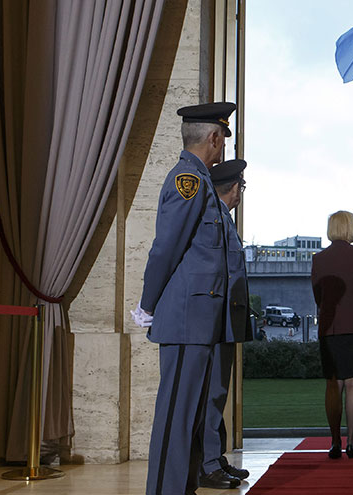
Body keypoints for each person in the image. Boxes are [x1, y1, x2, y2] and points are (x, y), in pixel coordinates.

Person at [138, 101, 237, 495]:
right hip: (184, 319)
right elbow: (166, 249)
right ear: (213, 138)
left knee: (191, 416)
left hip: (198, 321)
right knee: (177, 418)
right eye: (222, 140)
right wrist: (147, 304)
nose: (223, 149)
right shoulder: (189, 180)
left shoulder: (198, 180)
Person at [197, 158, 253, 488]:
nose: (241, 192)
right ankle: (206, 464)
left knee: (218, 394)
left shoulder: (223, 219)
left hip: (226, 319)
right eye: (241, 187)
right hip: (216, 320)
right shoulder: (214, 218)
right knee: (213, 393)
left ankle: (214, 457)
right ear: (234, 188)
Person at [311, 210, 353, 459]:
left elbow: (318, 296)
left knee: (334, 385)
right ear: (348, 227)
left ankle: (334, 441)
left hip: (330, 330)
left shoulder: (319, 259)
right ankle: (352, 442)